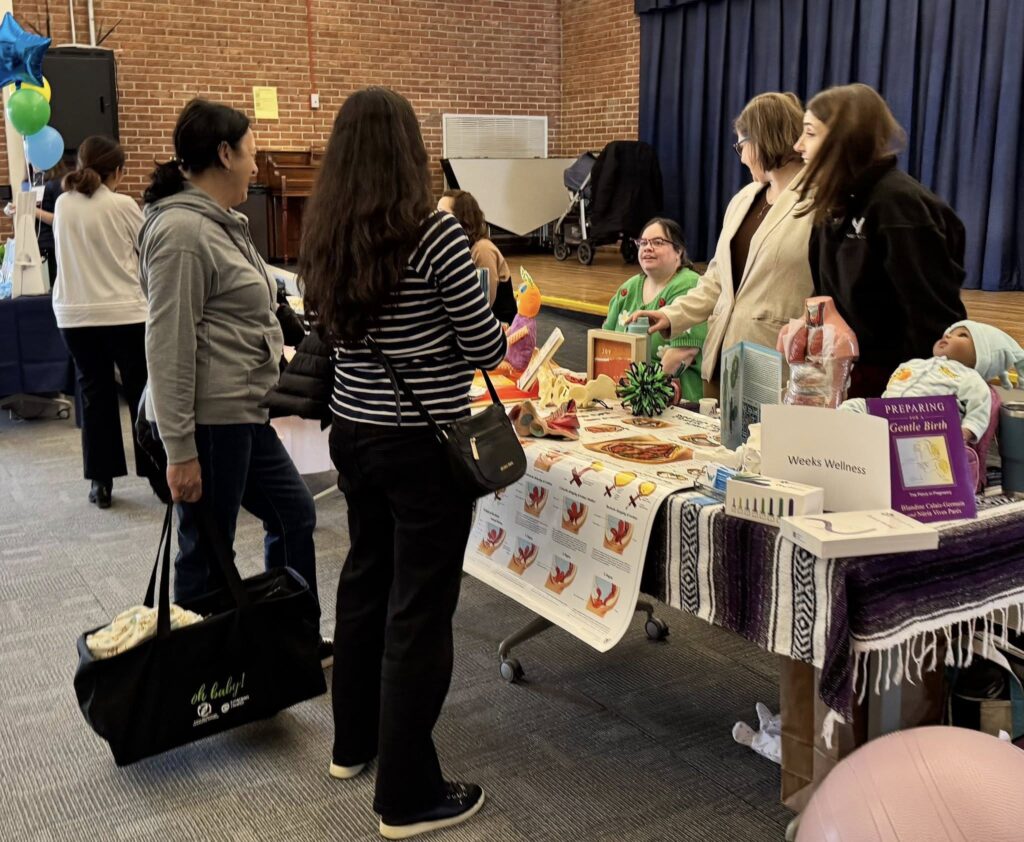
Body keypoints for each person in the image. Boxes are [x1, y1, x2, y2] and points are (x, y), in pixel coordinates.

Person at [301, 87, 505, 840]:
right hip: (423, 443)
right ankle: (409, 793)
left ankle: (353, 744)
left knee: (365, 582)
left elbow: (324, 328)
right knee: (419, 608)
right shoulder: (436, 237)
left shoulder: (324, 232)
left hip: (352, 434)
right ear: (411, 151)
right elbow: (485, 348)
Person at [138, 99, 328, 662]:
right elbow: (167, 346)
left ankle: (290, 643)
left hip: (243, 413)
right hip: (208, 424)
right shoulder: (180, 233)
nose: (256, 165)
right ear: (224, 153)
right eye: (251, 153)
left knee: (294, 513)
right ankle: (203, 678)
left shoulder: (219, 225)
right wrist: (180, 452)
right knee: (204, 554)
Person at [629, 92, 814, 397]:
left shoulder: (816, 203)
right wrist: (673, 315)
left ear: (764, 139)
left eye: (742, 145)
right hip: (723, 358)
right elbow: (717, 278)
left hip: (775, 362)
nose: (741, 157)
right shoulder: (744, 200)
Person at [793, 82, 968, 399]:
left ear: (843, 138)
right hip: (849, 383)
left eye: (810, 132)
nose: (797, 145)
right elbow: (826, 297)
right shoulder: (834, 204)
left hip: (898, 391)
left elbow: (933, 324)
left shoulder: (898, 206)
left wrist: (908, 397)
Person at [52, 136, 164, 508]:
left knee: (95, 395)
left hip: (75, 315)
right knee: (141, 395)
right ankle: (159, 478)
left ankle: (101, 483)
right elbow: (149, 251)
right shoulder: (123, 205)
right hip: (125, 313)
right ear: (117, 171)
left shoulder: (63, 204)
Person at [602, 217, 706, 401]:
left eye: (657, 242)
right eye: (643, 243)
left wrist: (641, 394)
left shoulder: (689, 285)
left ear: (678, 251)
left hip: (669, 396)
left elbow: (682, 353)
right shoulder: (628, 289)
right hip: (623, 393)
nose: (647, 247)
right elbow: (604, 342)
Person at [437, 188, 515, 323]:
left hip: (499, 331)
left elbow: (483, 306)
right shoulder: (457, 250)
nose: (437, 220)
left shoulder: (481, 249)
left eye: (444, 215)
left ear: (463, 219)